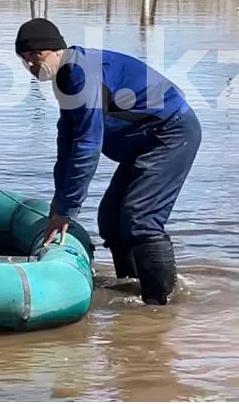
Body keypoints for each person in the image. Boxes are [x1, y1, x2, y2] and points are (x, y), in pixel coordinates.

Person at [15, 17, 201, 305]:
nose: (30, 66)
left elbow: (88, 144)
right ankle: (132, 289)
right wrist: (59, 202)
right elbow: (67, 142)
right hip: (144, 141)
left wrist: (67, 211)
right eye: (23, 59)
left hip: (170, 134)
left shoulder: (82, 75)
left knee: (140, 218)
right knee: (111, 220)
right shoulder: (65, 76)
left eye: (35, 56)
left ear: (53, 50)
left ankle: (160, 304)